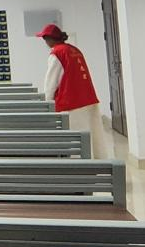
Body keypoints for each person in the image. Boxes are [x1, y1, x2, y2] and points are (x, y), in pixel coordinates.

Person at [37, 24, 110, 158]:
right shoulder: (74, 49)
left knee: (76, 139)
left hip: (72, 102)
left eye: (45, 39)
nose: (45, 42)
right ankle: (98, 162)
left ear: (50, 39)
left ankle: (81, 167)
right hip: (88, 98)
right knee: (93, 135)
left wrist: (47, 104)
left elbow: (51, 82)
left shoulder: (57, 53)